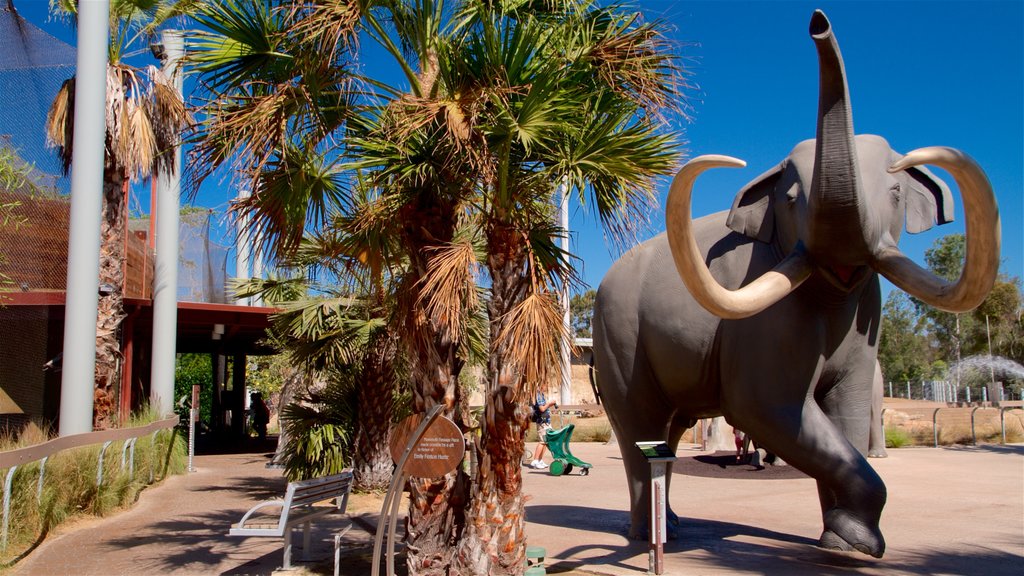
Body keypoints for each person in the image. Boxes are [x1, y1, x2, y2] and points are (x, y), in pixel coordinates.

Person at [528, 389, 558, 469]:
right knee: (542, 441)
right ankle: (535, 460)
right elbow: (542, 409)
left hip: (546, 421)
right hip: (542, 421)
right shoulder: (538, 395)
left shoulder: (541, 395)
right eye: (545, 383)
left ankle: (540, 460)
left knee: (545, 441)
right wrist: (550, 403)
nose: (547, 386)